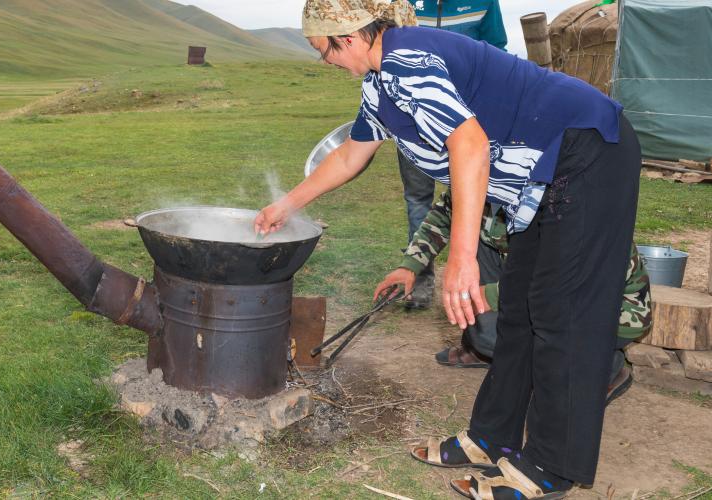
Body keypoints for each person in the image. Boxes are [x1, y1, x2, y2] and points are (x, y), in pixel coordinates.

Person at [254, 1, 642, 497]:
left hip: (585, 153)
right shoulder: (380, 83)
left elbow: (470, 145)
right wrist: (286, 204)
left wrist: (460, 259)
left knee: (564, 314)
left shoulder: (407, 61)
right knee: (523, 310)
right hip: (540, 176)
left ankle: (549, 466)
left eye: (322, 52)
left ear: (347, 39)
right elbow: (352, 153)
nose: (324, 62)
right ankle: (490, 436)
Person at [374, 191, 652, 404]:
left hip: (606, 309)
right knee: (472, 242)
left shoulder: (556, 197)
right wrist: (409, 266)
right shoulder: (478, 171)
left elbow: (556, 282)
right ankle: (484, 348)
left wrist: (489, 296)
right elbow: (444, 214)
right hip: (532, 284)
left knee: (546, 367)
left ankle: (606, 369)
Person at [396, 0, 507, 310]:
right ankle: (418, 281)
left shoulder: (483, 2)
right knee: (418, 199)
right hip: (415, 121)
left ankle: (479, 287)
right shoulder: (403, 3)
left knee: (474, 198)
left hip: (469, 122)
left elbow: (495, 50)